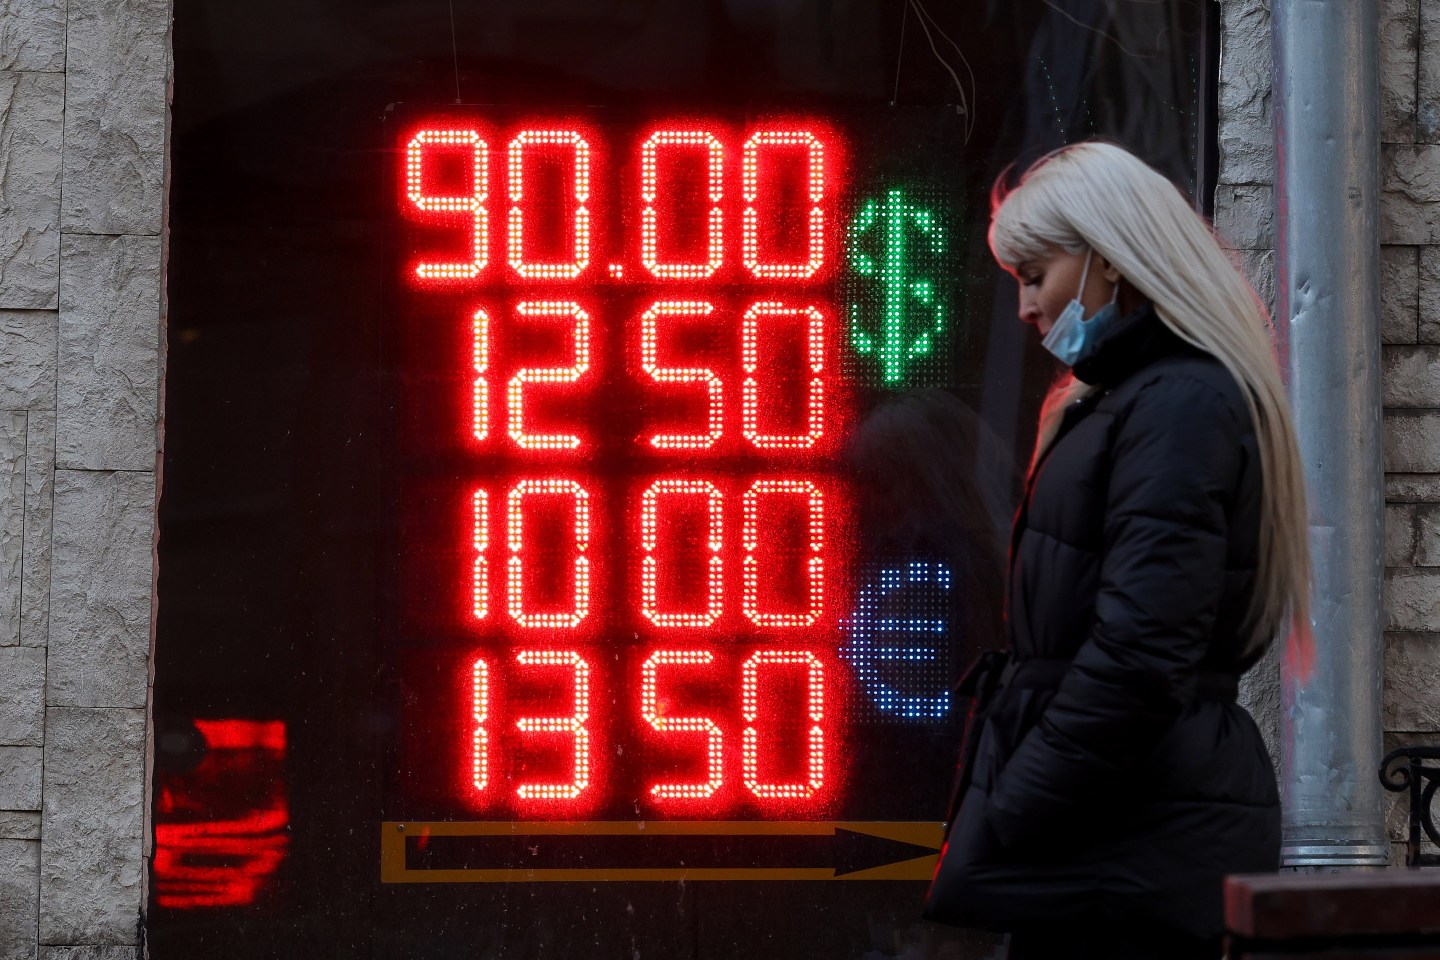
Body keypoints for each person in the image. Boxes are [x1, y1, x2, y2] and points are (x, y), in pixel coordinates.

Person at [923, 141, 1315, 959]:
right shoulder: (1141, 401)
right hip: (1122, 836)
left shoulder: (1176, 408)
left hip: (1125, 841)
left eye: (1036, 276)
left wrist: (1018, 802)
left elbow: (1139, 654)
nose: (1027, 308)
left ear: (1106, 255)